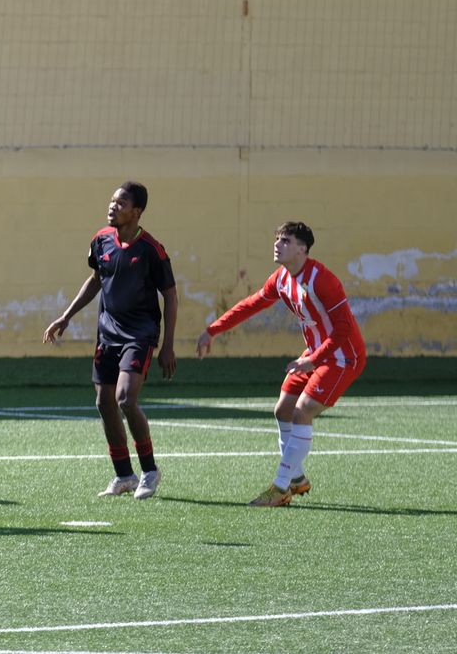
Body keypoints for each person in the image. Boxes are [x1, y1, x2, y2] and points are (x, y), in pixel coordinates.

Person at [195, 221, 365, 507]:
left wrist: (312, 360)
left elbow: (344, 329)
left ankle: (280, 487)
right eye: (277, 239)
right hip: (313, 355)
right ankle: (297, 478)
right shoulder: (281, 279)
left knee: (302, 412)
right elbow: (251, 304)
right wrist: (213, 330)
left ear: (302, 249)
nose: (277, 244)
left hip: (342, 358)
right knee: (283, 410)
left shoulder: (323, 280)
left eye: (285, 240)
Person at [44, 181, 178, 500]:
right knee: (104, 403)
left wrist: (168, 344)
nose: (112, 206)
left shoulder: (152, 251)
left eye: (121, 203)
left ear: (137, 211)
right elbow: (95, 282)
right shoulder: (101, 241)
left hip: (140, 334)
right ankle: (124, 475)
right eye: (112, 201)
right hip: (108, 334)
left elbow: (170, 296)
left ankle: (149, 470)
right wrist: (66, 316)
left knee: (125, 399)